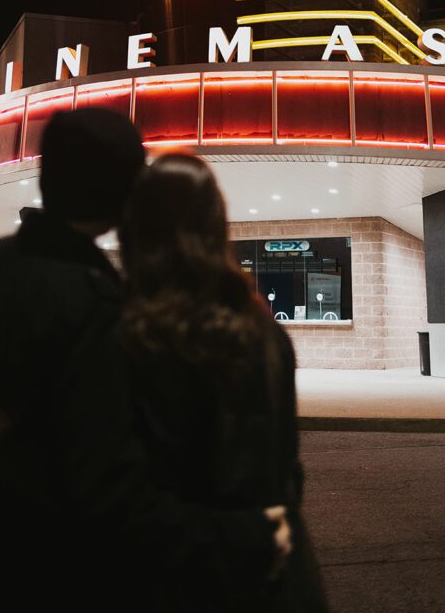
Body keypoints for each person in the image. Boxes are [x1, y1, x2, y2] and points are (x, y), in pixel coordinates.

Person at [0, 109, 289, 613]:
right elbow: (106, 486)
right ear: (123, 194)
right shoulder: (96, 303)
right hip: (46, 576)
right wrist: (244, 538)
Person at [119, 151, 327, 612]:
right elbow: (287, 467)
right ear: (216, 226)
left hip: (167, 580)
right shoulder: (265, 333)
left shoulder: (125, 334)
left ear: (135, 229)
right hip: (273, 574)